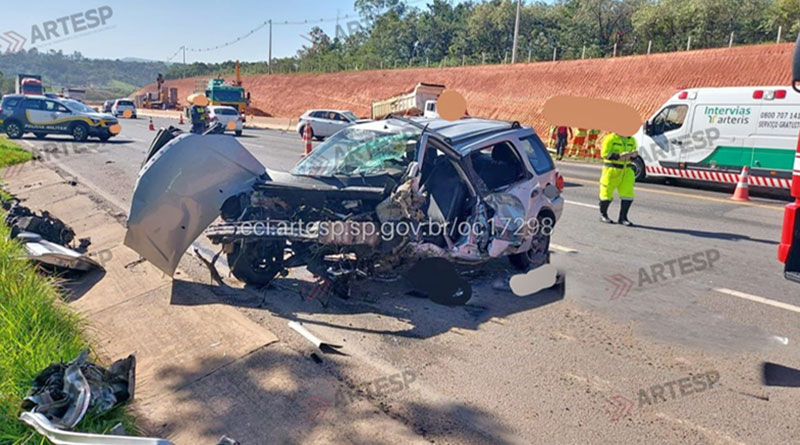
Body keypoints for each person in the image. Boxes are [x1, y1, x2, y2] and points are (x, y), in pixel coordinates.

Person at [599, 132, 638, 226]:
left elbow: (635, 156)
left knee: (628, 194)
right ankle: (603, 215)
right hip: (612, 171)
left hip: (627, 171)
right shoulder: (610, 138)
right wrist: (619, 156)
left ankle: (623, 218)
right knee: (606, 193)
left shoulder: (632, 140)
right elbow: (604, 154)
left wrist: (633, 156)